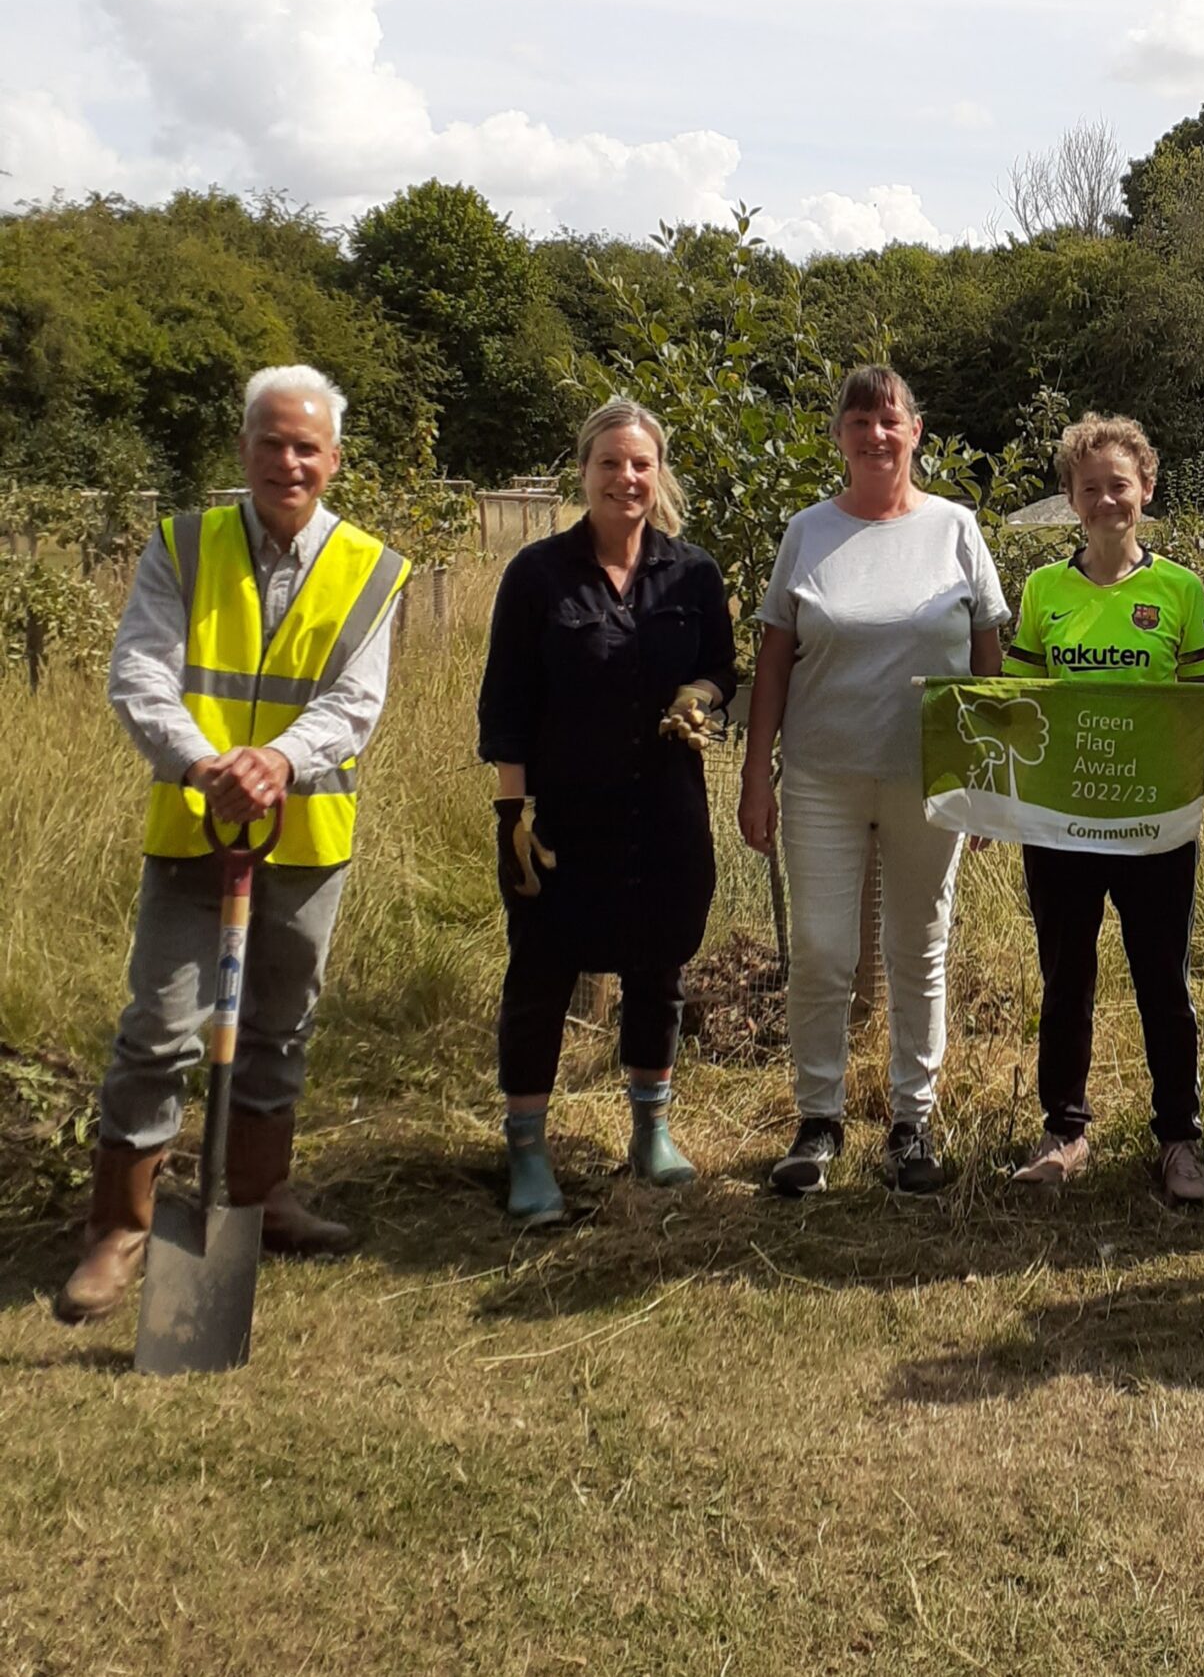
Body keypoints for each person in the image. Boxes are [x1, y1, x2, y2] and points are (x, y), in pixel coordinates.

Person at [56, 365, 410, 1324]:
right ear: (243, 449)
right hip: (192, 826)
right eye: (271, 441)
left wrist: (279, 764)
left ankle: (258, 1199)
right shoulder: (182, 545)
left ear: (333, 460)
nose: (287, 461)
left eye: (306, 447)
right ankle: (119, 1229)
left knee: (278, 1028)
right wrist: (207, 764)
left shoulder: (372, 568)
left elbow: (354, 702)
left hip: (305, 834)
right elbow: (139, 672)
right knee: (160, 1028)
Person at [739, 366, 1007, 1197]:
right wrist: (757, 774)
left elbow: (990, 649)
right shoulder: (806, 532)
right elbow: (775, 658)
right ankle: (817, 1120)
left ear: (915, 432)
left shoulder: (957, 528)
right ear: (840, 437)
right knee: (822, 952)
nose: (875, 435)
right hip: (820, 776)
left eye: (889, 420)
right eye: (859, 422)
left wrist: (986, 776)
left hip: (931, 778)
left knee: (918, 948)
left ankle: (910, 1125)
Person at [477, 397, 736, 1225]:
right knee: (540, 977)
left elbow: (720, 672)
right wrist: (510, 817)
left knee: (659, 970)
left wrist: (696, 697)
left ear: (657, 475)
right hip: (563, 820)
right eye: (610, 463)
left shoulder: (692, 572)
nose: (626, 477)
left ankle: (649, 1134)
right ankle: (527, 1151)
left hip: (665, 813)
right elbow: (508, 706)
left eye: (641, 463)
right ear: (583, 471)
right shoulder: (536, 576)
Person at [1003, 413, 1204, 1204]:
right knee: (1065, 976)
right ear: (1071, 500)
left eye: (1120, 486)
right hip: (1062, 819)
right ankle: (1064, 1132)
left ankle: (1180, 1141)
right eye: (1089, 489)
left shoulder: (1178, 587)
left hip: (1153, 821)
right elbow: (1018, 696)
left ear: (1145, 489)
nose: (1106, 500)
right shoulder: (1043, 589)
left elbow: (1196, 691)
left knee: (1161, 982)